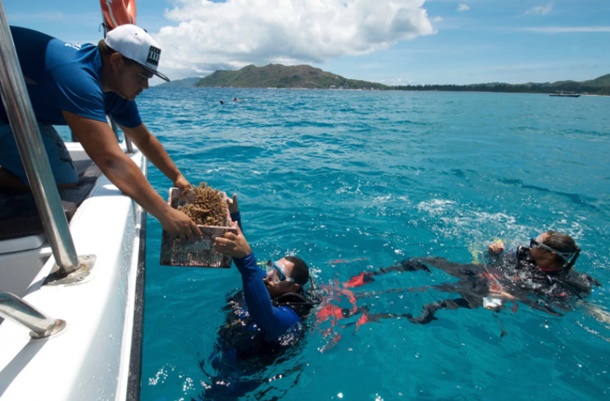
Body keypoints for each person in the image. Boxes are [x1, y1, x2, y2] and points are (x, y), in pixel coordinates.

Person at [0, 24, 200, 241]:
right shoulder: (77, 77)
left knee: (62, 176)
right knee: (59, 177)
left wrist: (177, 176)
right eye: (142, 76)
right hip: (8, 112)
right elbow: (110, 159)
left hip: (21, 113)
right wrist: (165, 213)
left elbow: (143, 138)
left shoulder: (117, 91)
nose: (146, 86)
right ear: (116, 61)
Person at [324, 230, 599, 329]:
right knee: (430, 260)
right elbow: (491, 261)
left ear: (550, 255)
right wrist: (491, 252)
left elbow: (558, 308)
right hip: (482, 275)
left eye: (535, 242)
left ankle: (372, 316)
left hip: (496, 295)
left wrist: (514, 297)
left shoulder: (566, 283)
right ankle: (368, 277)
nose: (528, 245)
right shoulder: (524, 255)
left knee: (435, 303)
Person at [198, 194, 318, 399]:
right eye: (272, 266)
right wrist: (233, 215)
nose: (269, 274)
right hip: (226, 350)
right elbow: (241, 254)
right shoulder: (268, 283)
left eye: (279, 274)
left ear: (293, 287)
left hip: (245, 372)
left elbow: (265, 315)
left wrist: (247, 260)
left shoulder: (292, 316)